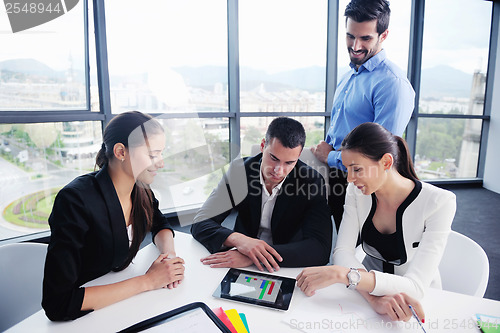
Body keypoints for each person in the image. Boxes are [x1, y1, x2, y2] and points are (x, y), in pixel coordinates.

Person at [297, 122, 456, 322]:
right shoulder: (356, 192)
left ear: (386, 162)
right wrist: (372, 298)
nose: (350, 179)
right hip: (367, 297)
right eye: (347, 170)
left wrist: (344, 275)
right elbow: (342, 253)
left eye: (356, 169)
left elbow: (415, 287)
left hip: (412, 305)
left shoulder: (439, 202)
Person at [42, 111, 185, 321]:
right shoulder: (75, 200)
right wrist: (148, 281)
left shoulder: (141, 190)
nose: (161, 163)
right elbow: (58, 303)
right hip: (87, 315)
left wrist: (169, 258)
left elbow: (160, 223)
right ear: (121, 152)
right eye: (153, 155)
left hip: (121, 305)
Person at [311, 0, 415, 231]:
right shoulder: (349, 76)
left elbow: (381, 153)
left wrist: (330, 157)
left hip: (363, 181)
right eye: (350, 36)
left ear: (383, 35)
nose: (355, 46)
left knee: (364, 247)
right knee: (342, 238)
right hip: (338, 174)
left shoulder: (392, 84)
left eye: (365, 38)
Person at [191, 117, 332, 272]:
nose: (279, 170)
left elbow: (320, 248)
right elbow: (201, 222)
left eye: (289, 163)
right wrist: (241, 241)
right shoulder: (240, 171)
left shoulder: (311, 181)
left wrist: (255, 255)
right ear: (263, 146)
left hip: (286, 262)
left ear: (298, 157)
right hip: (239, 255)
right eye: (274, 158)